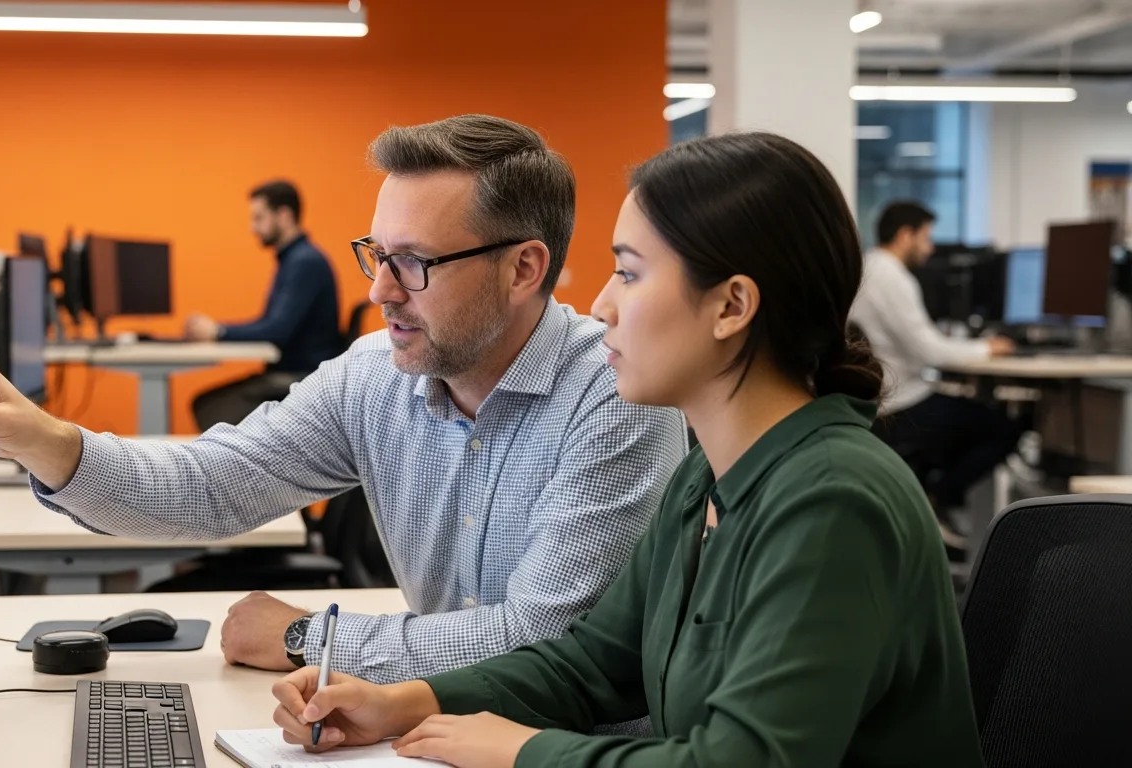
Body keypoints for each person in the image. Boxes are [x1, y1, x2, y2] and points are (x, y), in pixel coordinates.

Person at [0, 114, 688, 686]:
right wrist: (43, 440)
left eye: (413, 263)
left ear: (523, 270)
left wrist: (312, 638)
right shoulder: (377, 376)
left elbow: (546, 640)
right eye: (376, 253)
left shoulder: (616, 395)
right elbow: (208, 489)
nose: (378, 290)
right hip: (434, 726)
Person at [269, 133, 984, 767]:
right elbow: (592, 665)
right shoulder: (710, 474)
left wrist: (526, 751)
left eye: (631, 273)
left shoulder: (832, 499)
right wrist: (411, 700)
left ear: (732, 306)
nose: (603, 304)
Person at [850, 201, 1021, 553]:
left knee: (972, 416)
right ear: (905, 234)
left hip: (886, 399)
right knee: (1005, 429)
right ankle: (943, 495)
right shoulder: (891, 277)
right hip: (902, 404)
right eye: (926, 238)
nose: (930, 248)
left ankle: (935, 492)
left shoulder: (870, 269)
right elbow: (929, 350)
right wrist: (987, 348)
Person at [186, 180, 342, 431]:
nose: (252, 228)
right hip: (295, 373)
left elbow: (277, 331)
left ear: (284, 215)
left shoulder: (304, 262)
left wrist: (218, 332)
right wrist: (219, 330)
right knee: (208, 404)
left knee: (209, 407)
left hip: (300, 378)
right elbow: (271, 324)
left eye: (258, 218)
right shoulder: (295, 259)